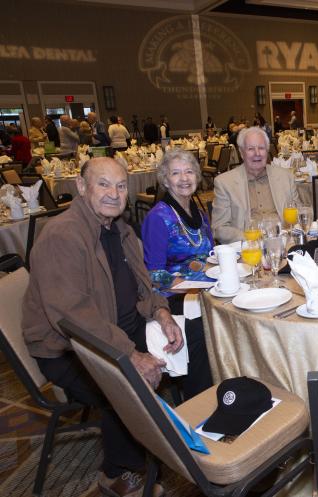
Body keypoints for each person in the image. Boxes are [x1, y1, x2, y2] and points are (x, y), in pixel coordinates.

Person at [21, 157, 202, 496]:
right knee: (125, 383)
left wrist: (162, 315)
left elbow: (143, 286)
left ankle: (202, 433)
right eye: (103, 184)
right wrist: (131, 356)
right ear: (81, 186)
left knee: (197, 336)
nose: (113, 194)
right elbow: (73, 318)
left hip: (122, 327)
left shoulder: (119, 229)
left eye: (120, 186)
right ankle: (117, 471)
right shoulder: (62, 236)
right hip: (70, 346)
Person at [141, 149, 214, 399]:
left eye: (189, 171)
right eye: (176, 173)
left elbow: (210, 255)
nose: (184, 178)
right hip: (172, 297)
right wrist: (189, 285)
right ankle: (199, 399)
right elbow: (153, 275)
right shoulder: (158, 218)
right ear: (165, 179)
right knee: (205, 331)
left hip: (203, 290)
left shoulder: (198, 212)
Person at [212, 126, 299, 243]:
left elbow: (299, 214)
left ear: (267, 151)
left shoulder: (286, 177)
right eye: (251, 149)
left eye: (261, 148)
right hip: (249, 249)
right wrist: (249, 238)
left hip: (285, 243)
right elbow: (219, 228)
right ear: (242, 153)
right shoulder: (225, 183)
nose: (257, 153)